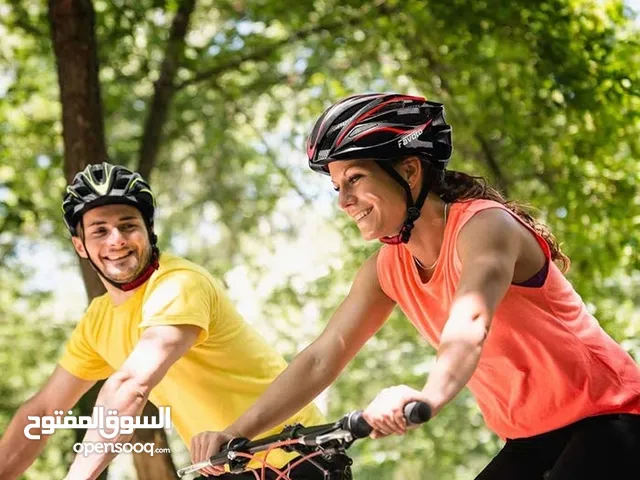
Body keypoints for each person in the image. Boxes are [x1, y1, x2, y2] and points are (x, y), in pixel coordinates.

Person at [189, 93, 640, 479]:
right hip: (530, 437)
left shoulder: (485, 226)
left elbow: (471, 320)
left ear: (408, 171)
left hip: (614, 418)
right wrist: (237, 433)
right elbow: (323, 356)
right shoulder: (387, 267)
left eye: (355, 179)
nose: (344, 201)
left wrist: (427, 397)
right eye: (336, 187)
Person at [0, 162, 338, 480]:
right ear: (81, 246)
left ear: (148, 230)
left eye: (127, 225)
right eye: (99, 230)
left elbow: (131, 386)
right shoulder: (98, 320)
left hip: (294, 457)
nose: (116, 239)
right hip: (230, 466)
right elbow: (44, 411)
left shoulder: (179, 283)